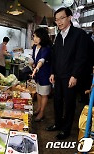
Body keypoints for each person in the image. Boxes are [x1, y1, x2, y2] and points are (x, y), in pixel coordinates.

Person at [46, 7, 88, 140]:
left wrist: (75, 75)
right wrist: (52, 72)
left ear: (69, 17)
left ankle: (66, 129)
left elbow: (81, 57)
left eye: (62, 18)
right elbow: (55, 56)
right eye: (56, 19)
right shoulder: (58, 36)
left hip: (70, 77)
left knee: (69, 103)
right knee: (57, 101)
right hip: (58, 76)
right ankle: (58, 124)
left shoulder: (78, 34)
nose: (59, 22)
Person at [31, 28, 52, 122]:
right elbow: (34, 59)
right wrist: (32, 64)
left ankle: (42, 112)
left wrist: (36, 68)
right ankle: (39, 108)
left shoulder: (46, 48)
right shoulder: (35, 47)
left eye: (37, 36)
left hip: (45, 74)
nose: (35, 38)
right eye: (34, 36)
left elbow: (42, 60)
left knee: (44, 94)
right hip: (38, 74)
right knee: (38, 92)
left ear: (42, 37)